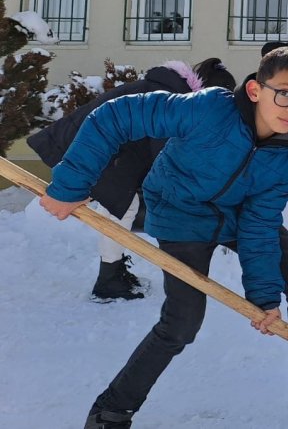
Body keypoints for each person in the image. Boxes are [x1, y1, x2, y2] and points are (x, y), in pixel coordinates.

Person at [39, 47, 288, 428]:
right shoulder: (207, 109)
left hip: (240, 213)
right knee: (182, 322)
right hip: (180, 213)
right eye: (285, 93)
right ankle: (112, 409)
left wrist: (263, 297)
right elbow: (117, 115)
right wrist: (70, 185)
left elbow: (260, 221)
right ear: (257, 90)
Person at [27, 58, 237, 301]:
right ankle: (108, 281)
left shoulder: (167, 85)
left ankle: (111, 274)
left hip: (96, 148)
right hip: (92, 150)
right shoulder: (176, 99)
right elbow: (165, 158)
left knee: (121, 207)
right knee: (122, 208)